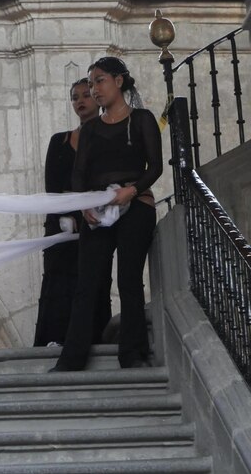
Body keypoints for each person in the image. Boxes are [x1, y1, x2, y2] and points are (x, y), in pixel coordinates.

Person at [51, 57, 162, 372]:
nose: (94, 89)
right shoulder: (91, 130)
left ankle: (133, 355)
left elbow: (154, 165)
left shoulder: (141, 119)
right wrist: (84, 204)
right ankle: (72, 359)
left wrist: (132, 190)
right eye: (90, 84)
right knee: (87, 283)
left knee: (129, 281)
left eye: (99, 81)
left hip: (136, 206)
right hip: (96, 212)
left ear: (119, 81)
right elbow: (78, 173)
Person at [34, 78, 112, 347]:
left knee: (94, 279)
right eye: (74, 96)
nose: (80, 100)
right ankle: (55, 338)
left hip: (97, 222)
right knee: (60, 279)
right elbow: (52, 185)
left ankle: (93, 338)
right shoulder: (60, 141)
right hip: (62, 221)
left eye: (85, 95)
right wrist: (66, 214)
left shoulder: (108, 139)